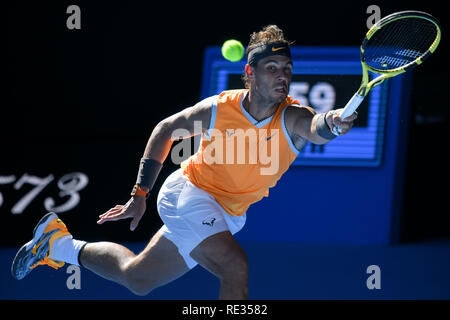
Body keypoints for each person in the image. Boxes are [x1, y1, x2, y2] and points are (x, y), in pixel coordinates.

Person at [11, 25, 357, 299]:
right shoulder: (218, 110)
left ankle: (57, 244)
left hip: (227, 214)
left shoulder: (292, 116)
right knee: (235, 267)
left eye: (286, 69)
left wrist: (334, 123)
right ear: (250, 72)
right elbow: (165, 131)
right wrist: (139, 193)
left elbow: (315, 127)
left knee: (138, 278)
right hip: (189, 194)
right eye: (271, 68)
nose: (282, 76)